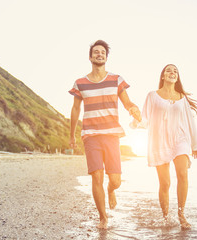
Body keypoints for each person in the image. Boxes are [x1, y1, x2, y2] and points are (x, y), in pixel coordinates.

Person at [69, 40, 141, 229]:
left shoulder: (116, 79)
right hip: (91, 135)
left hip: (111, 135)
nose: (99, 54)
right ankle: (103, 217)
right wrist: (71, 136)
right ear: (90, 56)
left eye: (102, 52)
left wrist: (133, 109)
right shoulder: (80, 83)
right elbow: (75, 110)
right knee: (97, 176)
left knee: (115, 180)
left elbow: (127, 102)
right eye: (96, 52)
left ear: (106, 57)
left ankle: (111, 191)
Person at [131, 64, 197, 229]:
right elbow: (145, 119)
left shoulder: (182, 97)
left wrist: (195, 144)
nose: (172, 72)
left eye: (175, 71)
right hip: (159, 141)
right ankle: (165, 216)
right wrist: (136, 120)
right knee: (165, 183)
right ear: (163, 76)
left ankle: (181, 214)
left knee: (183, 174)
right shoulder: (152, 95)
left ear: (177, 77)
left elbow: (190, 121)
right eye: (169, 70)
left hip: (180, 139)